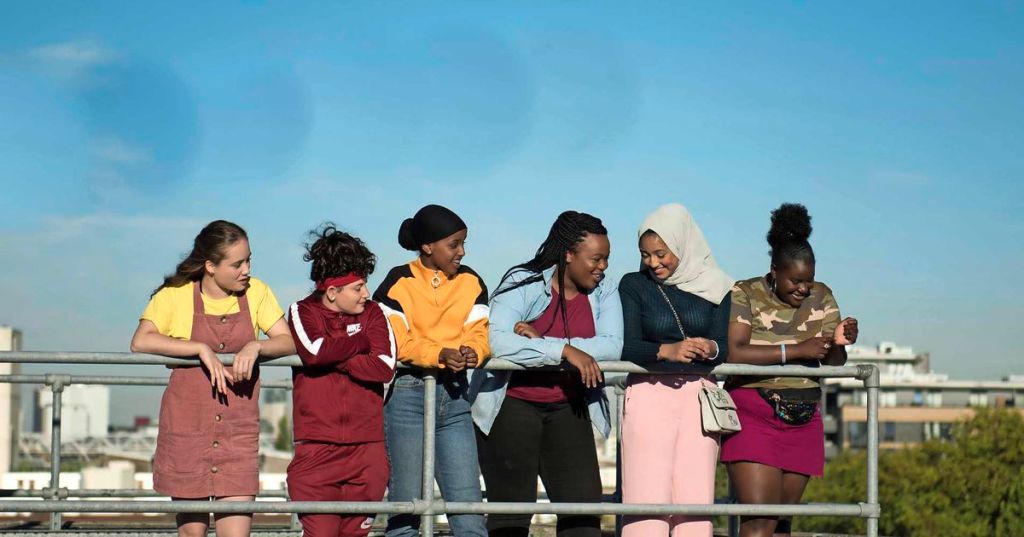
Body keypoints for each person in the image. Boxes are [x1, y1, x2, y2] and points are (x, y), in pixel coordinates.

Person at [130, 220, 294, 537]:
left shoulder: (258, 292)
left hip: (238, 432)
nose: (246, 270)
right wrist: (199, 349)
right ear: (210, 266)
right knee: (192, 533)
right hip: (186, 431)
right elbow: (141, 341)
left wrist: (257, 346)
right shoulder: (174, 295)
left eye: (249, 260)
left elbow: (287, 341)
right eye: (237, 264)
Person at [470, 210, 623, 537]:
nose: (603, 267)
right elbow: (495, 340)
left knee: (583, 517)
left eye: (606, 259)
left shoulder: (605, 290)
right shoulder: (523, 281)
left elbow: (612, 346)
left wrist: (542, 343)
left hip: (570, 407)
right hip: (512, 407)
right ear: (568, 254)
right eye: (595, 259)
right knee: (510, 519)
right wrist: (563, 351)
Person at [721, 203, 859, 537]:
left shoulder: (822, 296)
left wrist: (839, 342)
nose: (804, 289)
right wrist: (797, 350)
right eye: (795, 280)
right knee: (759, 523)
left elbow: (834, 362)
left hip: (804, 418)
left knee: (782, 524)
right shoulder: (746, 292)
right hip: (754, 415)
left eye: (808, 281)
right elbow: (735, 351)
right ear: (774, 271)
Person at [372, 204, 490, 537]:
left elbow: (479, 333)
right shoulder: (397, 281)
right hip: (406, 399)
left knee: (469, 510)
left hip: (455, 399)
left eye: (463, 243)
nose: (462, 252)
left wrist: (473, 351)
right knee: (406, 508)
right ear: (427, 246)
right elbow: (398, 343)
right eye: (454, 244)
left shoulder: (472, 281)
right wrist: (440, 354)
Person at [618, 203, 733, 537]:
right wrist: (666, 351)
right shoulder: (633, 285)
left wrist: (710, 348)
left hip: (700, 400)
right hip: (648, 394)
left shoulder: (719, 286)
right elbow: (625, 345)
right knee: (645, 501)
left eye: (661, 254)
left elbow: (725, 345)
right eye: (645, 255)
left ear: (684, 244)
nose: (653, 263)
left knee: (695, 502)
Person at [285, 223, 397, 537]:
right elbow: (315, 352)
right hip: (317, 451)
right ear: (333, 292)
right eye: (358, 287)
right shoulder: (302, 311)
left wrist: (336, 354)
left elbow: (384, 367)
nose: (366, 294)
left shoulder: (374, 312)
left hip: (368, 451)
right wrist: (359, 343)